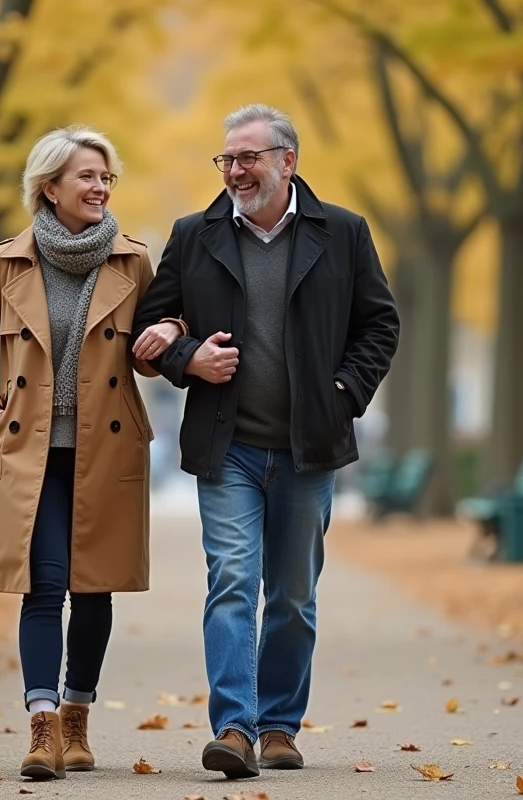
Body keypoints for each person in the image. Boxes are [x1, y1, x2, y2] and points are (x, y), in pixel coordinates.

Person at [131, 104, 400, 778]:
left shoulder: (342, 232)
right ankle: (234, 727)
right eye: (225, 159)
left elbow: (380, 325)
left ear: (288, 161)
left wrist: (342, 394)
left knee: (290, 595)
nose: (234, 170)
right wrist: (186, 358)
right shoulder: (193, 235)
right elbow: (151, 324)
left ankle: (279, 725)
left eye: (247, 157)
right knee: (230, 581)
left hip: (310, 446)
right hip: (230, 447)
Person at [0, 125, 185, 780]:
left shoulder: (134, 262)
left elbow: (171, 329)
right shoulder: (8, 262)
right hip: (29, 450)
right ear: (49, 187)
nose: (100, 187)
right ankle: (42, 727)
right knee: (44, 584)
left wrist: (171, 331)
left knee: (94, 588)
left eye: (107, 177)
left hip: (105, 449)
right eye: (87, 176)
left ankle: (78, 719)